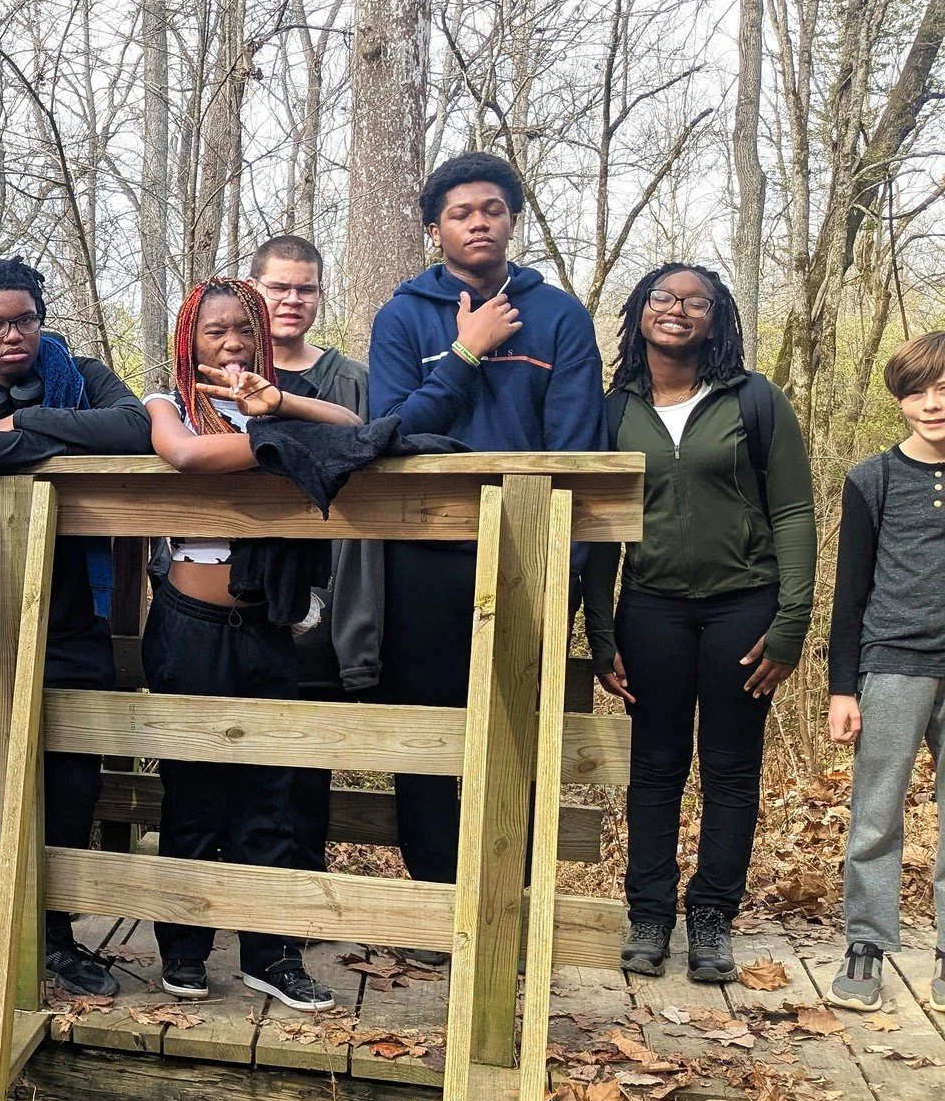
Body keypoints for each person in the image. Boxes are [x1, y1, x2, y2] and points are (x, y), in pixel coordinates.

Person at [366, 152, 607, 895]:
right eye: (461, 213)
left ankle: (509, 893)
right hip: (425, 551)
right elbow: (392, 433)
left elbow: (575, 443)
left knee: (518, 727)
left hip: (530, 553)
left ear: (512, 219)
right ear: (434, 229)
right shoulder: (404, 315)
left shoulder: (559, 315)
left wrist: (561, 563)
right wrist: (467, 354)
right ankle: (439, 896)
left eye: (493, 209)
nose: (479, 222)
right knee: (431, 728)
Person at [0, 256, 153, 998]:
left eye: (24, 318)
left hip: (70, 610)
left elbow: (134, 429)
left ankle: (53, 937)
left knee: (73, 778)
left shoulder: (81, 376)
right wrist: (59, 444)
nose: (13, 332)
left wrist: (25, 423)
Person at [585, 265, 816, 984]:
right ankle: (649, 915)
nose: (677, 310)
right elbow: (595, 523)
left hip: (743, 606)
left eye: (696, 302)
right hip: (649, 608)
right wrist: (600, 631)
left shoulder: (755, 400)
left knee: (730, 767)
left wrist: (792, 622)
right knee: (654, 768)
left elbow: (793, 512)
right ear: (639, 312)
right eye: (662, 298)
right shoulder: (611, 409)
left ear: (716, 320)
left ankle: (712, 915)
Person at [143, 278, 360, 1009]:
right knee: (194, 797)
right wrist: (277, 445)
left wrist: (280, 408)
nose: (230, 343)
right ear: (188, 340)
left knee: (272, 798)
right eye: (214, 332)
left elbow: (350, 424)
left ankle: (271, 956)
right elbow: (185, 458)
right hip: (188, 628)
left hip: (269, 625)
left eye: (244, 329)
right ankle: (184, 951)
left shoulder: (276, 403)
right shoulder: (167, 403)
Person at [825, 331, 945, 1015]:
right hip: (893, 665)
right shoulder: (872, 479)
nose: (931, 405)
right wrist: (844, 687)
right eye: (916, 392)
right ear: (900, 400)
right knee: (875, 816)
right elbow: (851, 591)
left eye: (942, 389)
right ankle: (866, 947)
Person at [248, 234, 383, 696]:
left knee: (309, 748)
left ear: (321, 295)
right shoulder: (215, 376)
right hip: (233, 595)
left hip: (324, 600)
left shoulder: (353, 383)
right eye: (279, 287)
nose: (292, 300)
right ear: (252, 290)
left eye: (306, 289)